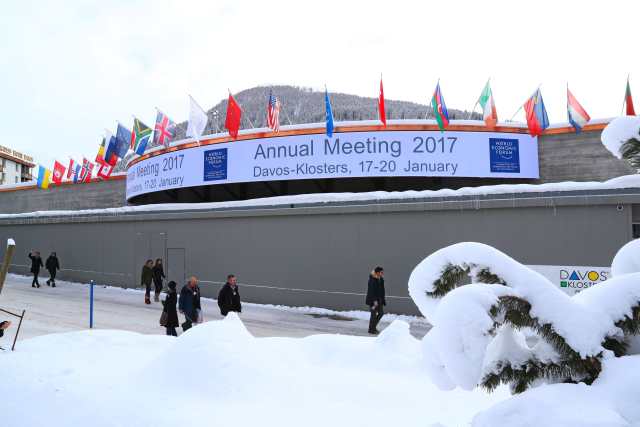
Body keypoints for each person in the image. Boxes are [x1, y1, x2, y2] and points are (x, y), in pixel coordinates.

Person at [365, 266, 386, 335]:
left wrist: (383, 299)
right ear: (377, 272)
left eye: (382, 272)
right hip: (373, 301)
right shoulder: (372, 279)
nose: (382, 273)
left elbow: (382, 290)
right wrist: (374, 301)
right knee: (373, 315)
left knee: (381, 313)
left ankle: (372, 327)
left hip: (379, 300)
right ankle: (371, 329)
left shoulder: (381, 279)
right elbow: (371, 291)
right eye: (381, 272)